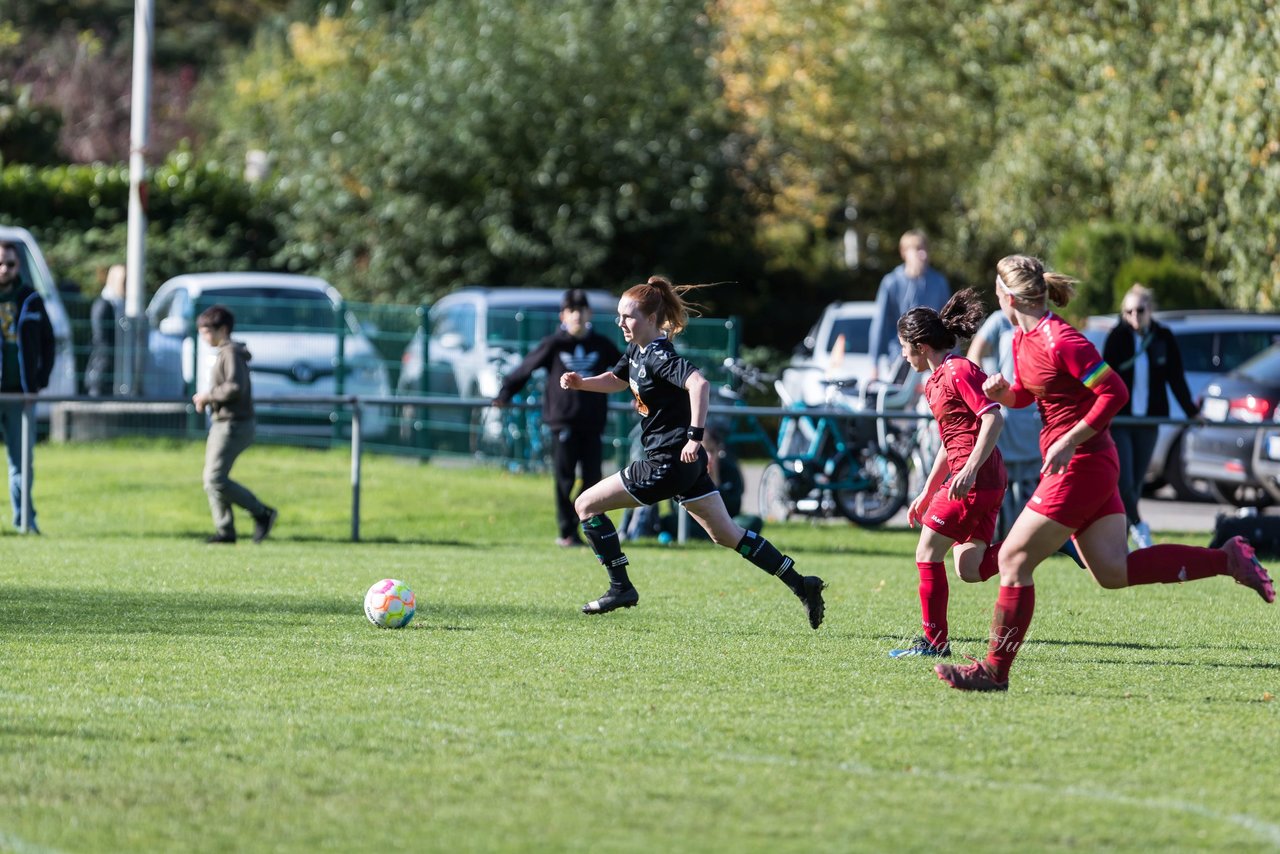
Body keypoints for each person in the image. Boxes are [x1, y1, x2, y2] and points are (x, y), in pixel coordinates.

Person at [935, 255, 1274, 693]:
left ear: (1008, 296)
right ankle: (1228, 558)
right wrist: (1007, 394)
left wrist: (1071, 439)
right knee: (1113, 571)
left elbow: (1114, 391)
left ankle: (994, 671)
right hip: (1088, 463)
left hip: (1083, 464)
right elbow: (1034, 394)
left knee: (1015, 560)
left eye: (996, 289)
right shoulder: (1022, 338)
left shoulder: (1061, 338)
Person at [560, 275, 826, 627]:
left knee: (585, 505)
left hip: (667, 461)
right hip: (684, 466)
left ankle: (620, 586)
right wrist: (583, 384)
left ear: (651, 319)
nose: (621, 323)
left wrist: (694, 437)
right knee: (727, 534)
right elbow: (618, 379)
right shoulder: (637, 350)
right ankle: (801, 583)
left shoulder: (659, 355)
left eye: (629, 317)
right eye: (620, 316)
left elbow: (698, 384)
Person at [891, 289, 1007, 659]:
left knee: (927, 552)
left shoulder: (959, 370)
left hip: (975, 479)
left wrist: (970, 469)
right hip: (975, 478)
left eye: (904, 346)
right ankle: (1047, 541)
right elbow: (950, 437)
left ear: (921, 346)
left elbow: (993, 417)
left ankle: (934, 643)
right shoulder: (934, 380)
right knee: (969, 567)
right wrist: (926, 491)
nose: (902, 354)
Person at [493, 289, 622, 547]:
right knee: (564, 479)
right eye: (571, 310)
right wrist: (505, 393)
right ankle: (567, 532)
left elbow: (626, 370)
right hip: (563, 422)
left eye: (581, 310)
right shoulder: (554, 344)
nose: (577, 315)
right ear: (564, 315)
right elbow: (525, 368)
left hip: (593, 423)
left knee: (593, 479)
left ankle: (591, 530)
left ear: (589, 313)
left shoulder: (601, 344)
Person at [1103, 284, 1199, 550]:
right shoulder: (1118, 336)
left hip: (1149, 421)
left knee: (1136, 482)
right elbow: (1104, 376)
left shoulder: (1163, 337)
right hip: (1121, 420)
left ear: (1151, 310)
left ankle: (1121, 537)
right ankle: (1140, 528)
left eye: (1140, 310)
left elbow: (1175, 378)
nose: (1134, 316)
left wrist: (1192, 412)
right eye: (1129, 311)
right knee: (1123, 481)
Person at [192, 305, 277, 545]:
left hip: (233, 425)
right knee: (212, 479)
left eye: (207, 331)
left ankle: (262, 513)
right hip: (224, 423)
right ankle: (225, 531)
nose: (203, 336)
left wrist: (209, 395)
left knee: (214, 479)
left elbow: (234, 387)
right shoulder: (226, 352)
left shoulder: (230, 353)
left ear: (223, 329)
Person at [967, 308, 1043, 541]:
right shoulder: (999, 320)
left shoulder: (1045, 322)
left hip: (1034, 422)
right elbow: (974, 355)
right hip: (1007, 419)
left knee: (1032, 491)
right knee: (1001, 487)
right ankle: (1001, 546)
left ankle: (1030, 543)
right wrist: (985, 389)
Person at [0, 242, 56, 534]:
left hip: (19, 394)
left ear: (18, 266)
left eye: (9, 264)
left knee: (22, 463)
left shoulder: (30, 299)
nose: (4, 269)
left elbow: (49, 343)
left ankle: (25, 521)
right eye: (0, 263)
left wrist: (39, 381)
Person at [867, 230, 951, 382]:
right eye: (918, 249)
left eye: (925, 249)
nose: (923, 255)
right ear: (904, 252)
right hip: (900, 358)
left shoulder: (938, 282)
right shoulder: (891, 282)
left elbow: (947, 322)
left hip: (932, 358)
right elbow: (880, 324)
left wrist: (952, 356)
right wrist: (874, 364)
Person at [85, 264, 126, 397]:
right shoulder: (103, 305)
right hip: (101, 371)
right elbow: (101, 340)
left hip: (113, 371)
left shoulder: (117, 305)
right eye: (124, 281)